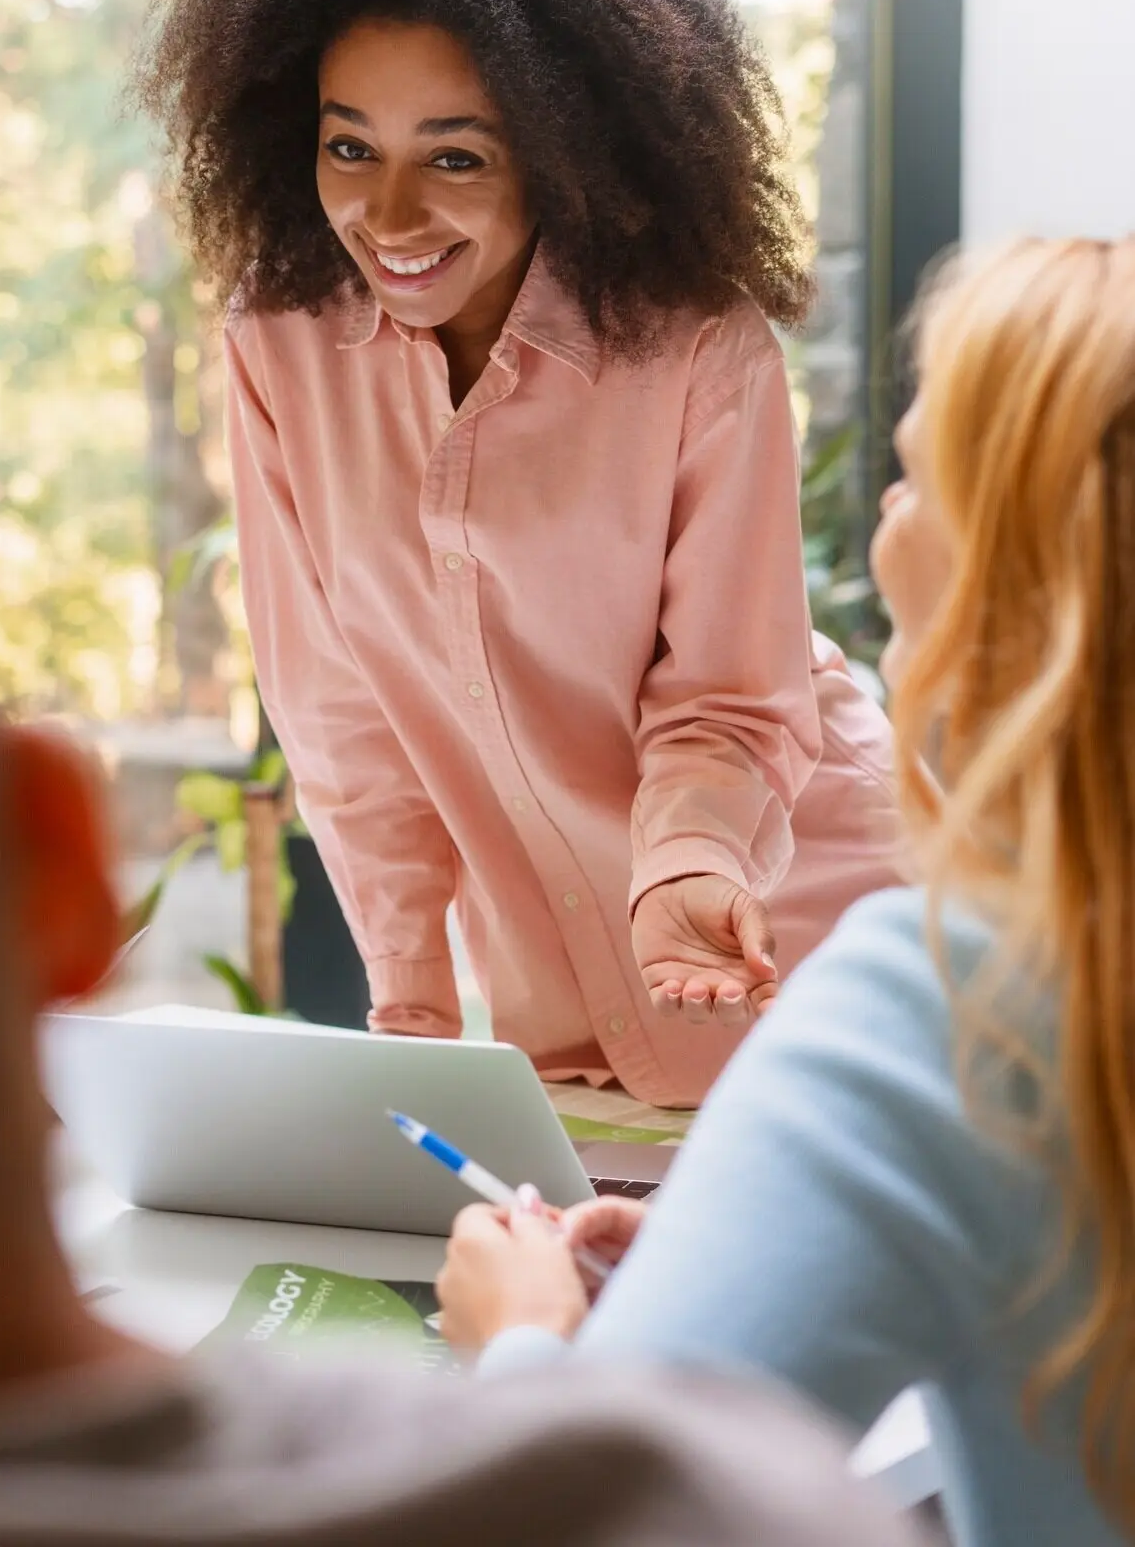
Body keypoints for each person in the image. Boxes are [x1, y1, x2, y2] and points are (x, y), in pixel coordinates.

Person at [0, 350, 922, 1547]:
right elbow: (344, 730)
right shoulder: (701, 1499)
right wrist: (534, 1357)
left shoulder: (694, 358)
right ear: (60, 866)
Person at [134, 0, 902, 1108]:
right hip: (550, 977)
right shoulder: (278, 343)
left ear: (562, 152)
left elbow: (728, 691)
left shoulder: (697, 346)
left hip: (785, 914)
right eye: (348, 145)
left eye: (456, 158)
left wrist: (689, 865)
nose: (386, 212)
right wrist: (413, 1005)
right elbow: (339, 711)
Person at [435, 236, 1135, 1547]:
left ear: (1027, 578)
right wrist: (761, 1253)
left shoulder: (950, 1005)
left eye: (917, 479)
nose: (882, 525)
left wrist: (523, 1345)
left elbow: (602, 1521)